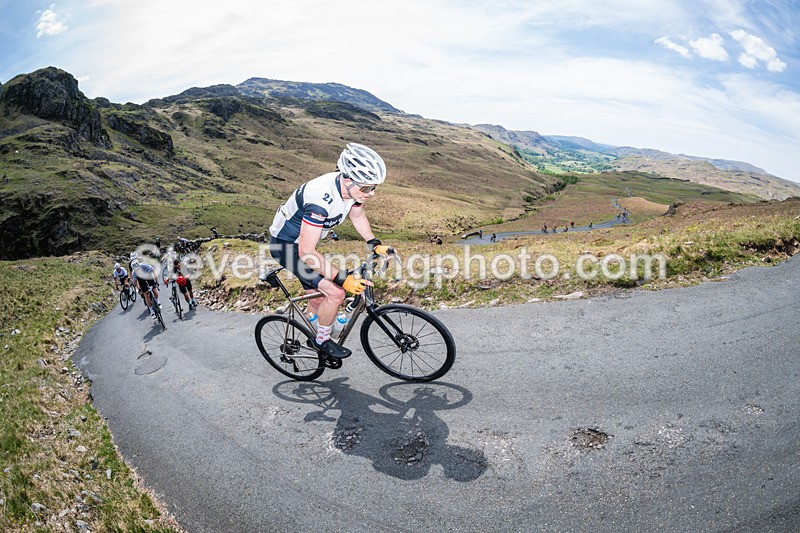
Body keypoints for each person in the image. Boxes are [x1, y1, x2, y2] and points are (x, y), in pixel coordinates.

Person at [268, 142, 390, 359]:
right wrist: (342, 279)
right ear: (347, 179)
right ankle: (322, 340)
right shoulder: (320, 200)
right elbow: (306, 253)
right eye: (367, 188)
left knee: (317, 299)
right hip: (287, 248)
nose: (371, 194)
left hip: (304, 246)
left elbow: (357, 216)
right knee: (336, 292)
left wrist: (373, 241)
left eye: (374, 188)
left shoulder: (352, 192)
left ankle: (314, 325)